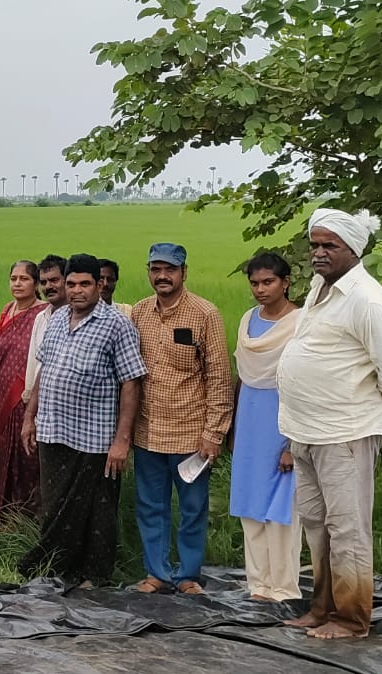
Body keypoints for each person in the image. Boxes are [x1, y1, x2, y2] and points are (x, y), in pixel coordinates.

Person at [278, 209, 382, 640]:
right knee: (316, 523)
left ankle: (352, 619)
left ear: (353, 250)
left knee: (347, 528)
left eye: (329, 246)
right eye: (315, 245)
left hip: (345, 432)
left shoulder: (368, 300)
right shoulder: (320, 287)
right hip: (305, 429)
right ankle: (322, 607)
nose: (318, 253)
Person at [16, 254, 146, 585]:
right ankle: (59, 569)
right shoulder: (58, 319)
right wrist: (30, 417)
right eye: (71, 284)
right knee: (56, 505)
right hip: (53, 430)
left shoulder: (117, 325)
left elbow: (131, 383)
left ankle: (94, 576)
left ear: (99, 285)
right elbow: (45, 370)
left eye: (85, 284)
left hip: (96, 438)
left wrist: (122, 440)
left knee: (96, 510)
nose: (77, 290)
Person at [129, 242, 234, 596]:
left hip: (191, 432)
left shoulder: (205, 314)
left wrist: (214, 433)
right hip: (147, 430)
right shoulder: (139, 313)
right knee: (150, 506)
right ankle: (156, 574)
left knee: (192, 507)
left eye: (170, 269)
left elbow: (218, 377)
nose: (162, 276)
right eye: (155, 269)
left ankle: (188, 574)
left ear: (184, 272)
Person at [229, 253, 303, 601]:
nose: (260, 289)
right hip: (250, 419)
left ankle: (284, 589)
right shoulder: (248, 320)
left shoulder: (301, 323)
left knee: (281, 511)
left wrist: (292, 444)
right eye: (255, 283)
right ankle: (257, 585)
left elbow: (306, 384)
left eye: (268, 282)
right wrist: (233, 428)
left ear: (285, 283)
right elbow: (244, 374)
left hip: (284, 420)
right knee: (250, 504)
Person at [0, 260, 46, 528]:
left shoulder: (44, 313)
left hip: (28, 393)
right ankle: (1, 509)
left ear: (36, 284)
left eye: (24, 279)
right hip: (3, 389)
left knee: (26, 454)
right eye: (13, 278)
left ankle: (26, 514)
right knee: (4, 450)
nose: (17, 283)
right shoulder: (7, 310)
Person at [21, 254, 68, 406]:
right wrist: (28, 398)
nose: (48, 286)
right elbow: (33, 362)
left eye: (54, 280)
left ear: (67, 280)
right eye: (43, 282)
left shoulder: (79, 318)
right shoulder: (41, 318)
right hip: (41, 406)